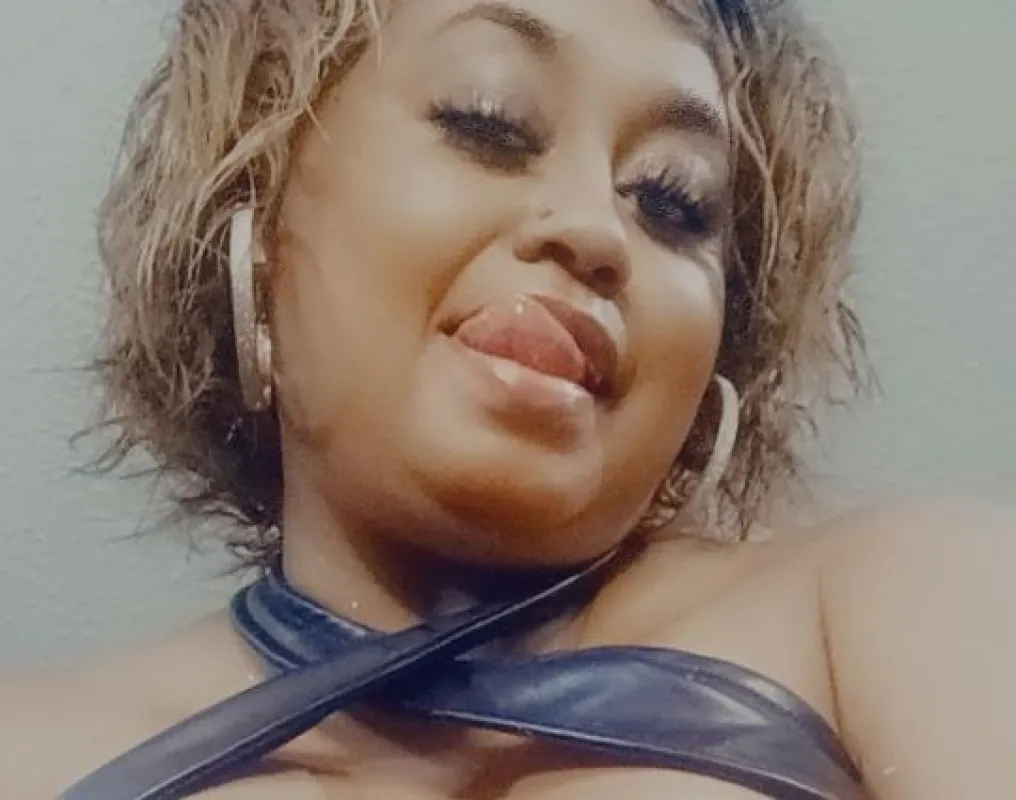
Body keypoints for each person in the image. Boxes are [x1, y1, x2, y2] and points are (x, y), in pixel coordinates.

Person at [3, 0, 1014, 797]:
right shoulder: (30, 746)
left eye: (672, 200)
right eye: (486, 122)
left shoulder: (901, 598)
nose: (595, 229)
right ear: (253, 210)